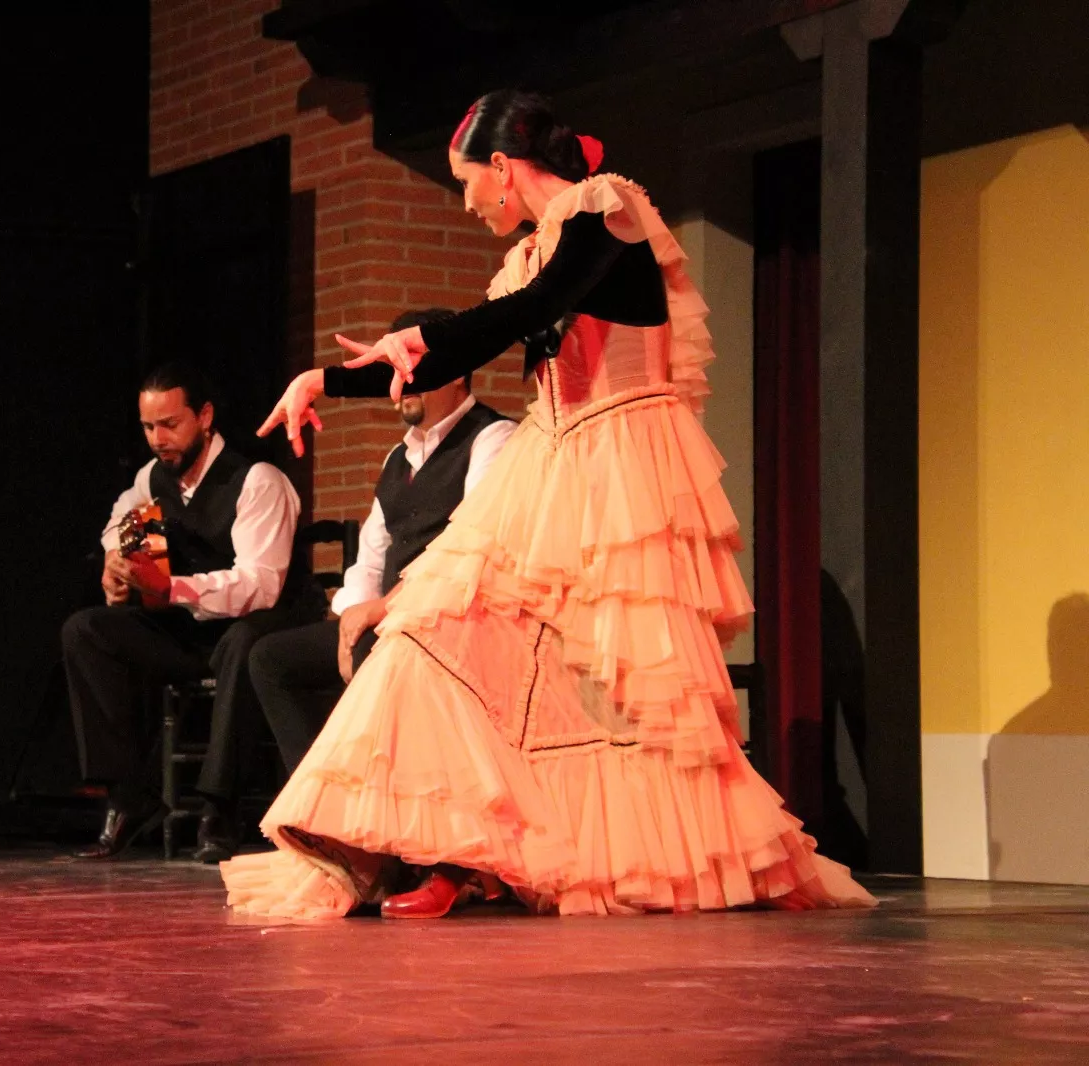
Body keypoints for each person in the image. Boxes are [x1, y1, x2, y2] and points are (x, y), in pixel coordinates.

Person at [223, 90, 874, 919]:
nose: (466, 203)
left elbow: (527, 313)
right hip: (552, 463)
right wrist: (327, 379)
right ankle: (445, 849)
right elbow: (473, 339)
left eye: (466, 183)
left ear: (501, 169)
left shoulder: (606, 210)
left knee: (625, 690)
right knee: (434, 631)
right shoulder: (526, 257)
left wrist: (434, 338)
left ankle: (652, 859)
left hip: (620, 462)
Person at [64, 361, 322, 863]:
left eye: (170, 425)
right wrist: (120, 563)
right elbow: (121, 521)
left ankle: (218, 810)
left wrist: (169, 585)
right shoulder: (153, 478)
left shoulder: (256, 481)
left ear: (204, 417)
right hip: (190, 631)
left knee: (245, 642)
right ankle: (131, 797)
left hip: (257, 629)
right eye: (148, 427)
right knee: (87, 630)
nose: (158, 439)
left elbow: (259, 586)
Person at [248, 309, 514, 776]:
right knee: (271, 659)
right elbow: (372, 554)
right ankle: (323, 796)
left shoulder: (493, 437)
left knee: (378, 644)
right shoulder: (399, 455)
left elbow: (471, 553)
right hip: (384, 621)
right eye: (393, 368)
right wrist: (352, 613)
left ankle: (372, 809)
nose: (400, 380)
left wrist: (378, 612)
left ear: (457, 374)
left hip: (448, 622)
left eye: (410, 364)